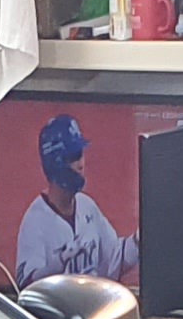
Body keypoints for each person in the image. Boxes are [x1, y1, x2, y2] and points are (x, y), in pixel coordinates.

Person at [11, 114, 135, 286]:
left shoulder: (87, 207)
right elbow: (27, 287)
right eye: (73, 158)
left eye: (80, 155)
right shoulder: (35, 221)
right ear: (55, 163)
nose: (81, 165)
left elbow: (114, 261)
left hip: (92, 301)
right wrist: (58, 264)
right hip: (58, 304)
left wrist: (140, 240)